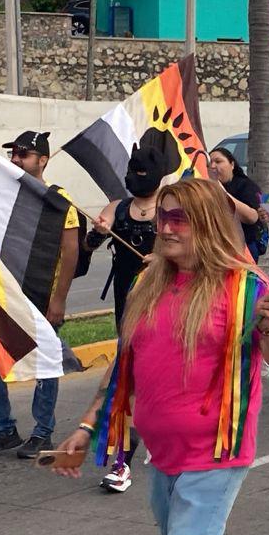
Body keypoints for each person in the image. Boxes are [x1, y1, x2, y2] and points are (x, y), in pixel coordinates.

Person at [54, 179, 269, 535]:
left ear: (206, 224)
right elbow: (126, 366)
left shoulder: (247, 286)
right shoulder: (150, 282)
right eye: (162, 216)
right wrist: (87, 428)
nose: (164, 227)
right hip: (163, 455)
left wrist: (268, 324)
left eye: (177, 218)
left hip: (217, 452)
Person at [0, 131, 78, 460]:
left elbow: (70, 251)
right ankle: (4, 430)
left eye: (24, 155)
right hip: (5, 300)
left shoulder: (58, 200)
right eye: (13, 154)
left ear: (42, 160)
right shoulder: (4, 196)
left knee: (44, 365)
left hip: (41, 299)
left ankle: (43, 432)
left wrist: (58, 301)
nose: (16, 160)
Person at [86, 145, 163, 494]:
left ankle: (136, 449)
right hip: (126, 300)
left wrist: (162, 259)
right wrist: (97, 233)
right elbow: (87, 247)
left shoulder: (172, 208)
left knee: (150, 381)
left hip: (164, 300)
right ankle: (124, 461)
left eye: (143, 172)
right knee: (130, 381)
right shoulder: (118, 207)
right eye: (132, 171)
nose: (135, 178)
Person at [207, 145, 266, 260]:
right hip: (216, 248)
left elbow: (251, 217)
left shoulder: (246, 186)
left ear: (232, 164)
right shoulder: (206, 188)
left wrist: (220, 191)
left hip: (244, 248)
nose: (213, 166)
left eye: (218, 161)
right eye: (209, 163)